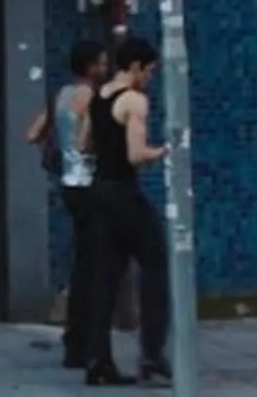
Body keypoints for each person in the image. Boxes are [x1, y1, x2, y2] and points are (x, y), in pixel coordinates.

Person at [82, 38, 171, 387]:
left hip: (99, 191)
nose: (149, 78)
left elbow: (83, 143)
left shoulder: (99, 97)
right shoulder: (134, 100)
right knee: (156, 262)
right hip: (123, 191)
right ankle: (151, 352)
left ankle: (97, 360)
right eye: (149, 71)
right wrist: (163, 150)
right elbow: (135, 154)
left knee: (106, 276)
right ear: (134, 67)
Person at [24, 40, 108, 369]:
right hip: (91, 185)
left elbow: (32, 134)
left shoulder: (59, 95)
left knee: (82, 263)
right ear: (89, 67)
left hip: (69, 186)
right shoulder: (94, 99)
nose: (105, 68)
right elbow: (92, 140)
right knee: (95, 266)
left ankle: (76, 340)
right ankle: (86, 342)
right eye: (101, 63)